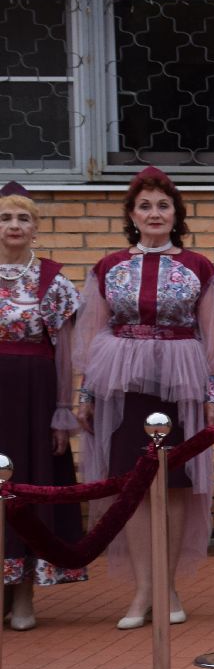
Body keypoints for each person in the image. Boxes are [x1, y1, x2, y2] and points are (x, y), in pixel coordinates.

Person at [76, 166, 214, 630]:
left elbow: (212, 337)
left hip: (180, 381)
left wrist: (211, 396)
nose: (154, 213)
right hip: (121, 384)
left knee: (175, 483)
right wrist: (84, 394)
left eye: (163, 205)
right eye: (145, 205)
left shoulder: (199, 267)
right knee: (133, 485)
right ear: (132, 214)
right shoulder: (108, 267)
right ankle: (144, 590)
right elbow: (91, 332)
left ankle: (168, 588)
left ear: (175, 213)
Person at [0, 182, 84, 629]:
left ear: (36, 229)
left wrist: (61, 409)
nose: (14, 225)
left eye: (23, 218)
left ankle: (23, 598)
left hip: (32, 397)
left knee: (26, 489)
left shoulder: (52, 280)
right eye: (6, 218)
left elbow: (67, 352)